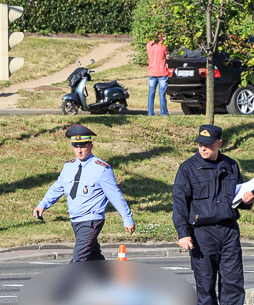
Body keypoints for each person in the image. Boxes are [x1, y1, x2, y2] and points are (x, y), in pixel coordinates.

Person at [172, 124, 254, 305]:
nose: (203, 148)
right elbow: (180, 204)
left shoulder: (230, 165)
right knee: (206, 286)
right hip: (202, 234)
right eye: (200, 144)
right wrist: (183, 233)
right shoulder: (188, 168)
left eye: (208, 145)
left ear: (219, 144)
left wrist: (248, 201)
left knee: (233, 285)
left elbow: (239, 197)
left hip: (229, 231)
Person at [34, 124, 135, 260]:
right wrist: (42, 205)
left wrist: (127, 218)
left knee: (79, 260)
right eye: (76, 146)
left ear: (91, 146)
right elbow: (57, 188)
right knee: (94, 259)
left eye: (82, 146)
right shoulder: (69, 166)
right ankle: (108, 280)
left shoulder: (101, 168)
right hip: (75, 220)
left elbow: (115, 195)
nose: (79, 150)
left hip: (91, 220)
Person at [146, 35, 170, 116]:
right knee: (162, 94)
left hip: (152, 72)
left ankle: (150, 112)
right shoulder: (164, 45)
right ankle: (164, 113)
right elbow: (166, 56)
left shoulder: (149, 45)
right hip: (162, 72)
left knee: (151, 93)